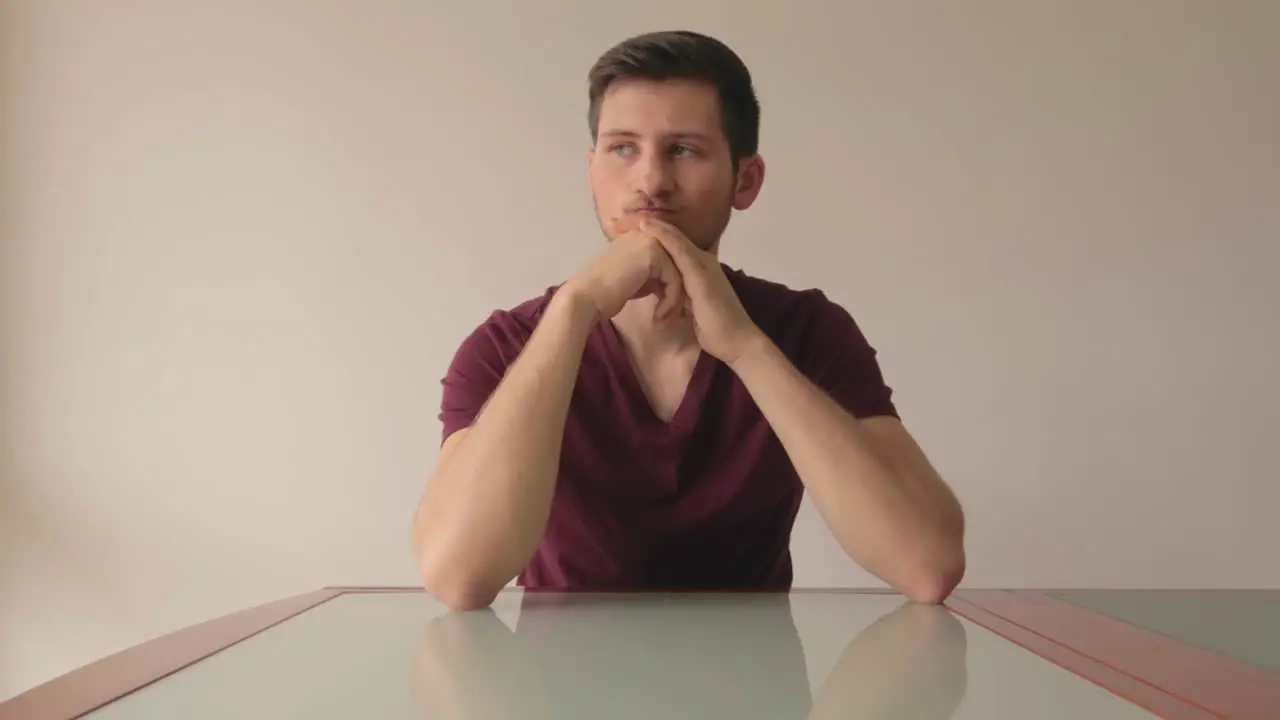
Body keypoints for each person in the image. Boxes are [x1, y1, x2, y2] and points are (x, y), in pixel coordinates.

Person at [411, 30, 966, 610]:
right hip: (558, 690)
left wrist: (747, 347)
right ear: (592, 167)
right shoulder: (506, 345)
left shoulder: (806, 330)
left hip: (754, 692)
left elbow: (926, 565)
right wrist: (574, 311)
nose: (650, 181)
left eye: (683, 150)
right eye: (622, 148)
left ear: (745, 181)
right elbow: (458, 577)